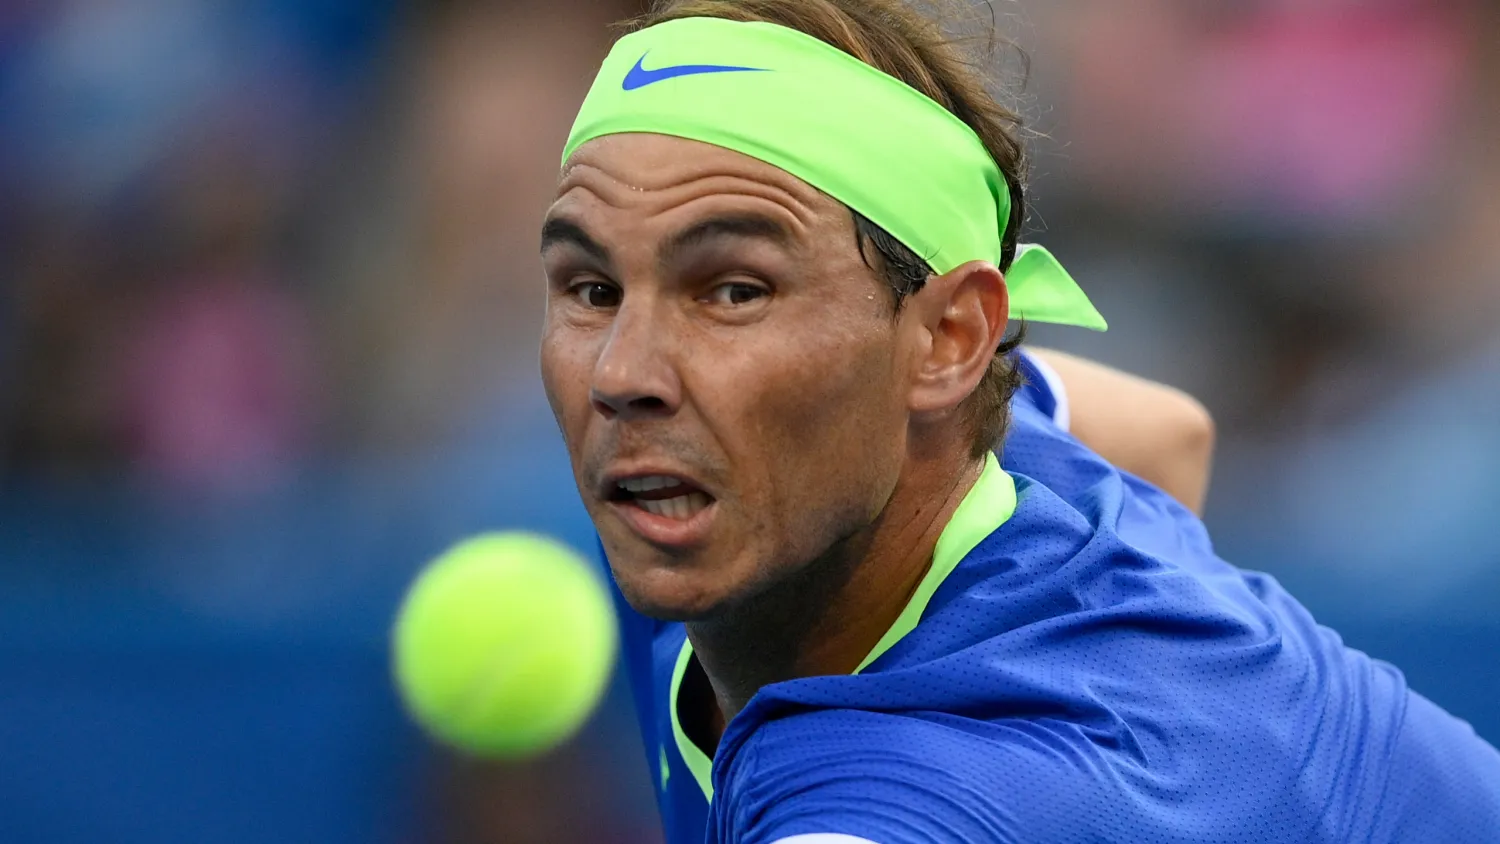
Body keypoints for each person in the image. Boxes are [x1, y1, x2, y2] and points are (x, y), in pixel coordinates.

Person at [537, 1, 1500, 841]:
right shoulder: (985, 435)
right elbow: (1169, 433)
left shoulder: (923, 797)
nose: (623, 374)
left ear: (950, 340)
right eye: (591, 287)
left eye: (736, 292)